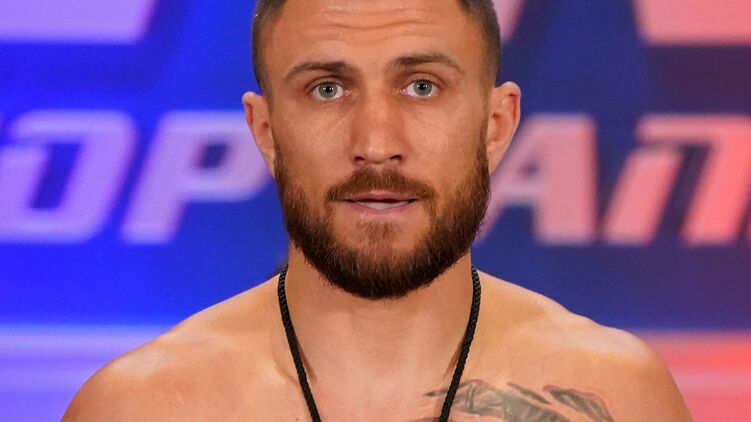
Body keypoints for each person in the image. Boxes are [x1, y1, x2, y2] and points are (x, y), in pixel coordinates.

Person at [63, 0, 692, 420]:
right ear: (267, 132)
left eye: (422, 86)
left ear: (496, 125)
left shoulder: (618, 396)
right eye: (326, 89)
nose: (375, 143)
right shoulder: (140, 408)